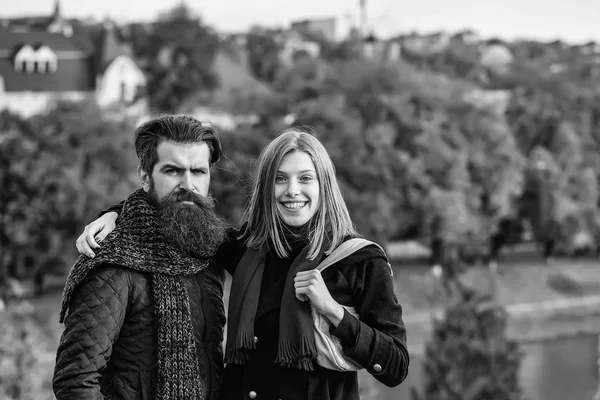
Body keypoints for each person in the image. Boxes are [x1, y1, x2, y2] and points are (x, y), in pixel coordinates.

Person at [77, 128, 410, 400]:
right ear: (267, 187)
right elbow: (179, 208)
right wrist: (115, 213)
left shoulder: (359, 259)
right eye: (280, 179)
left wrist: (334, 313)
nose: (293, 190)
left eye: (305, 178)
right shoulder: (250, 250)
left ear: (324, 184)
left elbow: (396, 365)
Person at [53, 115, 228, 400]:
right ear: (145, 177)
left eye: (198, 172)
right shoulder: (114, 262)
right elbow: (75, 382)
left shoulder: (207, 247)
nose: (188, 184)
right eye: (173, 171)